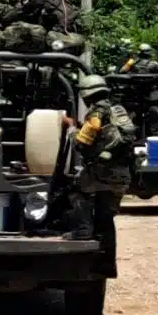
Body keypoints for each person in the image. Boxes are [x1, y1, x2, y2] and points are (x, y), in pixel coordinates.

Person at [61, 75, 136, 275]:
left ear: (87, 95)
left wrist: (70, 129)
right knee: (106, 218)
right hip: (122, 174)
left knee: (77, 190)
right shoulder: (116, 111)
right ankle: (107, 265)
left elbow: (81, 143)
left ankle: (82, 231)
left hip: (103, 171)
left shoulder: (96, 113)